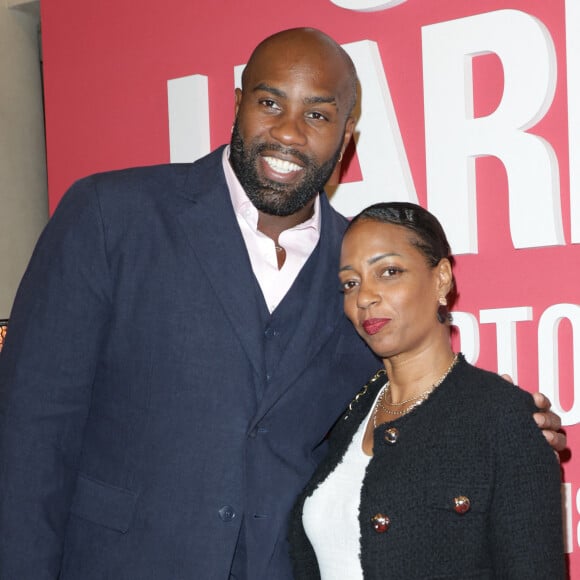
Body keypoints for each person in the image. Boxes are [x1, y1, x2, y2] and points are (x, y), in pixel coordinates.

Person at [0, 28, 564, 580]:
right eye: (270, 102)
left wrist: (511, 432)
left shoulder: (359, 276)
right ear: (239, 105)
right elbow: (30, 430)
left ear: (345, 140)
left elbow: (401, 410)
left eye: (318, 115)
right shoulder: (112, 216)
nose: (289, 132)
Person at [289, 202, 565, 579]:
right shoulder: (348, 414)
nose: (365, 297)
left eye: (388, 272)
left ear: (442, 279)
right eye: (351, 283)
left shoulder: (504, 416)